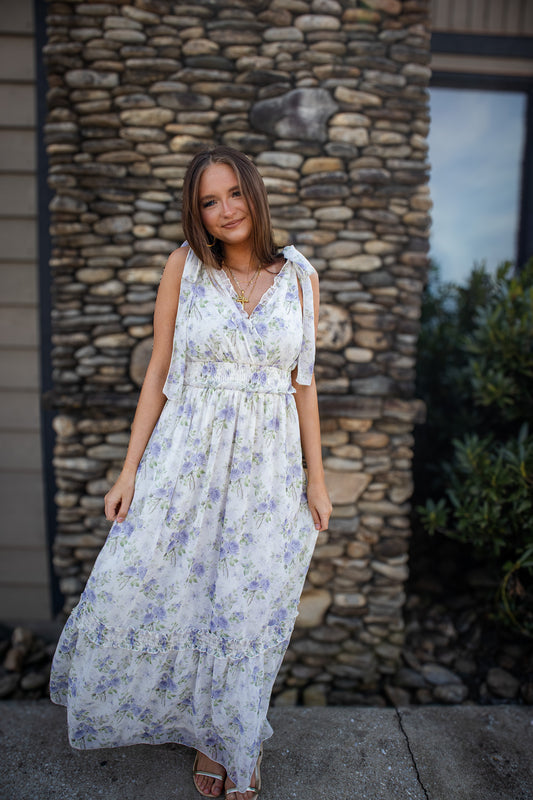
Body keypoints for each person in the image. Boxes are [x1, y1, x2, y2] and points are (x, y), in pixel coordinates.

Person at [50, 145, 332, 800]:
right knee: (164, 589)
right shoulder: (185, 267)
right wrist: (128, 472)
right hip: (187, 456)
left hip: (268, 467)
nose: (225, 209)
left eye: (233, 193)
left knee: (248, 605)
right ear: (196, 213)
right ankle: (194, 722)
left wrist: (315, 480)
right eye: (209, 200)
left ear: (254, 195)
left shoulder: (299, 277)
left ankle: (230, 736)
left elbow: (305, 386)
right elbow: (158, 374)